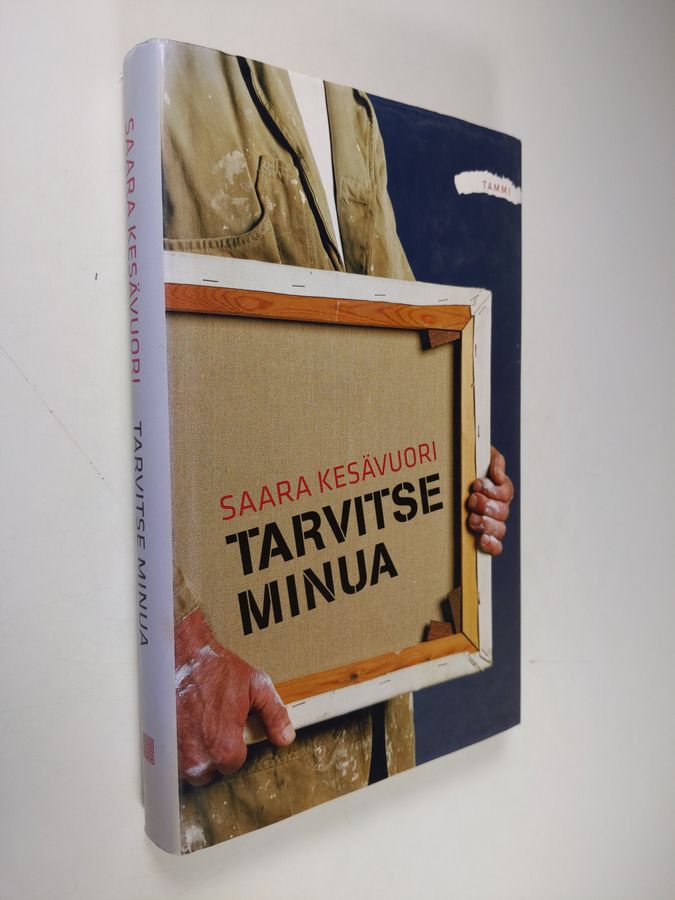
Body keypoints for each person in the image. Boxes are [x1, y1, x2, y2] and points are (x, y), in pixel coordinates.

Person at [161, 41, 513, 850]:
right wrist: (175, 646)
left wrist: (465, 467)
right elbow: (71, 387)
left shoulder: (351, 105)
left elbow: (399, 344)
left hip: (382, 737)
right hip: (243, 781)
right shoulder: (167, 71)